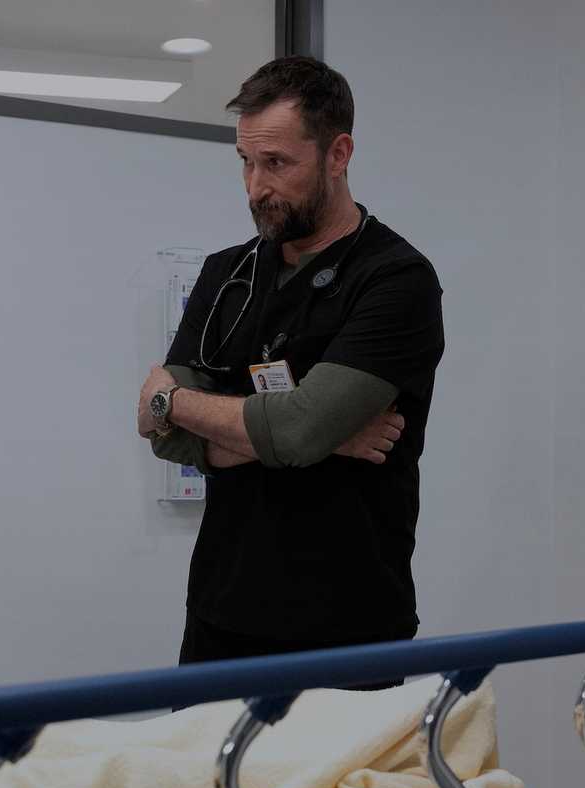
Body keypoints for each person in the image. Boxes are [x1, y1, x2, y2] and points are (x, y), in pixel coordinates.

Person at [136, 57, 445, 673]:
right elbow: (163, 438)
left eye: (277, 163)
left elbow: (296, 429)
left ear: (338, 154)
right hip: (221, 620)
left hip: (349, 626)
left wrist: (179, 402)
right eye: (246, 163)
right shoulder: (228, 274)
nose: (256, 187)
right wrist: (314, 436)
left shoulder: (395, 279)